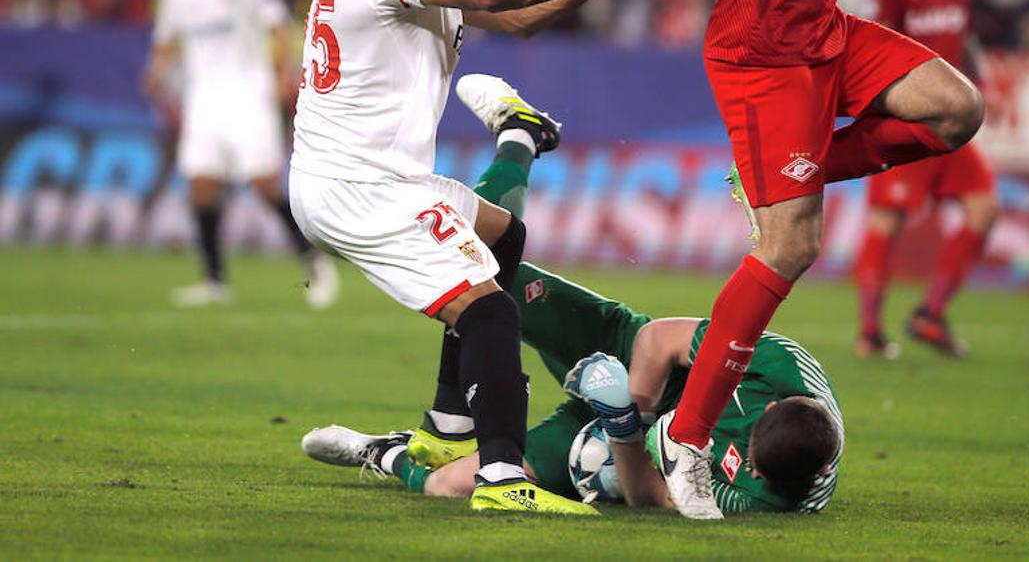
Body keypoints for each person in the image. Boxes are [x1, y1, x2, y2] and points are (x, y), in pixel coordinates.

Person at [666, 0, 985, 518]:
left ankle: (771, 182)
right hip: (764, 50)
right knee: (790, 246)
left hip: (825, 32)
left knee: (958, 109)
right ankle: (685, 441)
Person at [287, 0, 670, 515]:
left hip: (360, 176)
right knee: (489, 310)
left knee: (501, 239)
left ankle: (447, 427)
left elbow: (517, 20)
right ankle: (501, 478)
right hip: (361, 186)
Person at [301, 76, 844, 515]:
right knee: (485, 262)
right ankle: (520, 134)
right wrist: (636, 400)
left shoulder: (769, 497)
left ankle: (383, 452)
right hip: (631, 353)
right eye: (750, 455)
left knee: (449, 486)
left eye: (751, 469)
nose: (747, 466)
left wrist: (621, 425)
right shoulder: (778, 366)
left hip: (626, 430)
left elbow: (647, 498)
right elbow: (658, 341)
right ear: (770, 407)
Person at [144, 0, 340, 309]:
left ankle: (314, 260)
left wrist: (280, 72)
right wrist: (157, 67)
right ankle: (215, 281)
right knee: (201, 186)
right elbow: (168, 38)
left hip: (248, 93)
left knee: (263, 183)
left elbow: (276, 24)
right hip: (202, 98)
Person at [853, 0, 999, 359]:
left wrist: (978, 85)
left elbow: (962, 38)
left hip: (952, 121)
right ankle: (870, 333)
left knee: (983, 210)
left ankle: (930, 314)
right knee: (886, 221)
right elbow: (877, 46)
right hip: (912, 117)